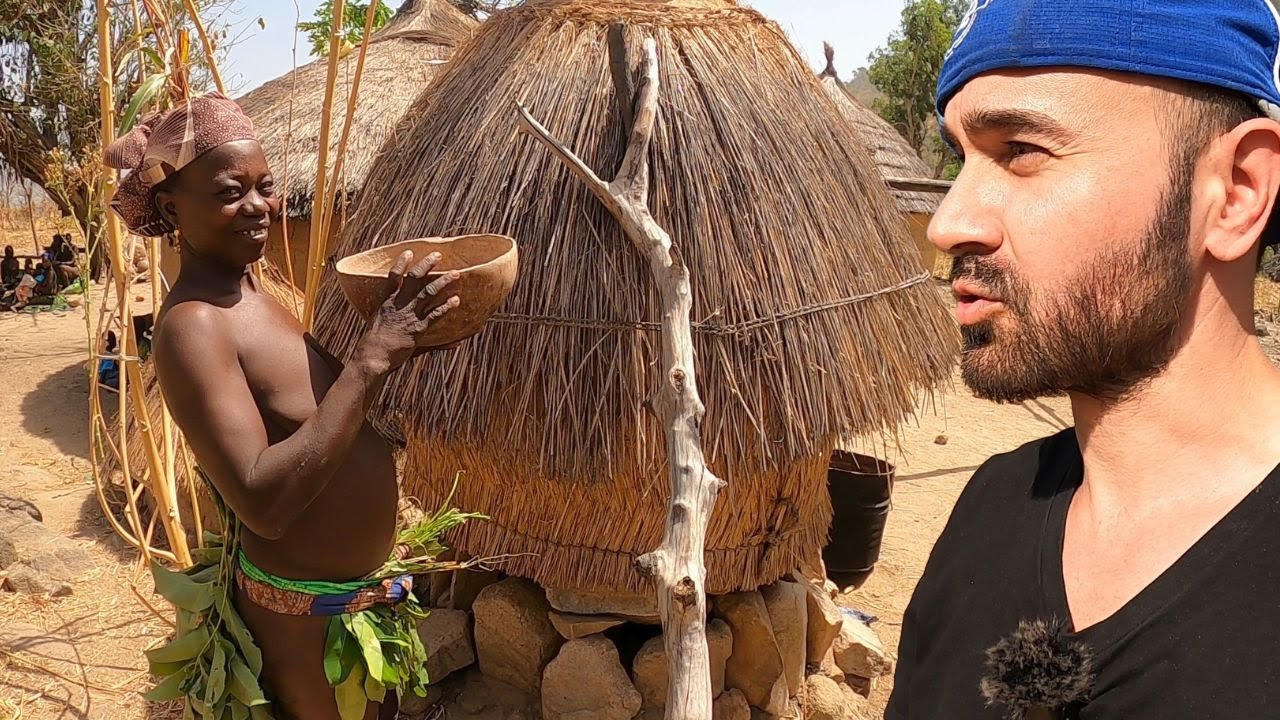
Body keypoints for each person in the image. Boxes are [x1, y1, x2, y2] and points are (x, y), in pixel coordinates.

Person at [888, 2, 1280, 718]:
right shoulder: (990, 509)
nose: (948, 224)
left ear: (1234, 195)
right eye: (961, 157)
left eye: (1021, 150)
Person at [105, 92, 464, 720]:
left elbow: (324, 422)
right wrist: (370, 358)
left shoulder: (252, 294)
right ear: (170, 208)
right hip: (305, 625)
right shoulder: (194, 327)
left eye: (266, 185)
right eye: (228, 192)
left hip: (357, 610)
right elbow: (264, 501)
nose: (259, 205)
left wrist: (401, 343)